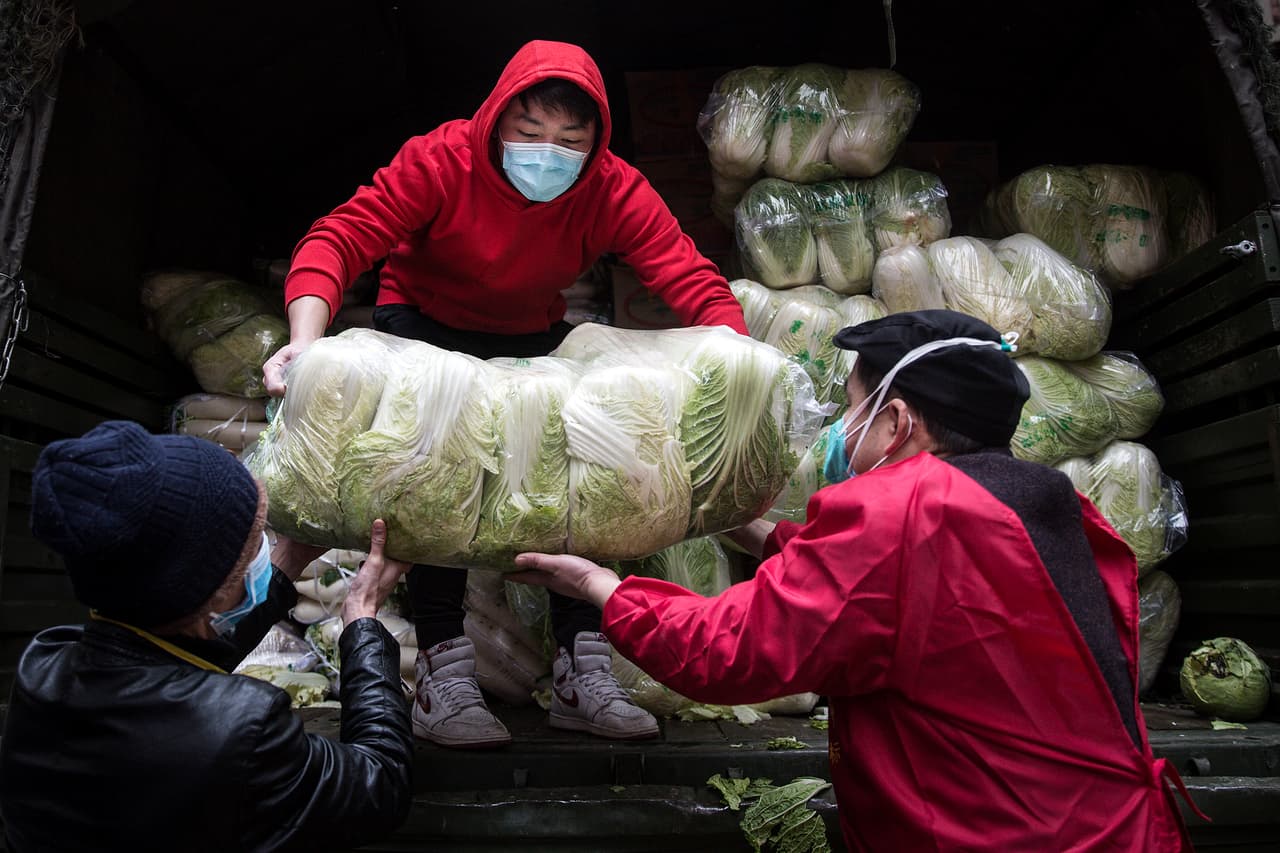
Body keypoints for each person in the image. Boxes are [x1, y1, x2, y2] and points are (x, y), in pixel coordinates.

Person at [510, 310, 1202, 851]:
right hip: (1118, 828)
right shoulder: (1045, 502)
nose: (842, 428)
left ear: (897, 422)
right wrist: (753, 530)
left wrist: (605, 588)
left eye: (851, 407)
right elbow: (896, 595)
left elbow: (732, 651)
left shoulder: (903, 508)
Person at [261, 39, 749, 749]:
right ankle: (442, 673)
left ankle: (582, 672)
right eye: (529, 134)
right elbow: (340, 238)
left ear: (596, 143)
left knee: (571, 487)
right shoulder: (440, 159)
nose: (549, 152)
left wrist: (747, 370)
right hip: (421, 325)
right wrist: (306, 339)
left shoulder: (611, 187)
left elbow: (691, 280)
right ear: (496, 120)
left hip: (528, 336)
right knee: (432, 484)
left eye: (569, 141)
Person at [0, 420, 415, 852]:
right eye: (255, 545)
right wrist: (362, 620)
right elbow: (379, 787)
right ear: (211, 595)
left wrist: (284, 565)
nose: (262, 554)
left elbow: (173, 660)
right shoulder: (243, 729)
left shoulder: (45, 666)